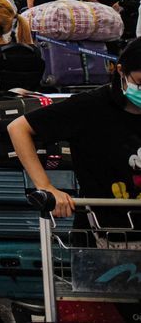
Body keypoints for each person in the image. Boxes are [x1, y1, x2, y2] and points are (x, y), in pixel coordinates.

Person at [8, 37, 141, 227]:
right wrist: (45, 187)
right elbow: (19, 128)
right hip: (103, 233)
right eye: (140, 83)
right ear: (121, 71)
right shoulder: (91, 106)